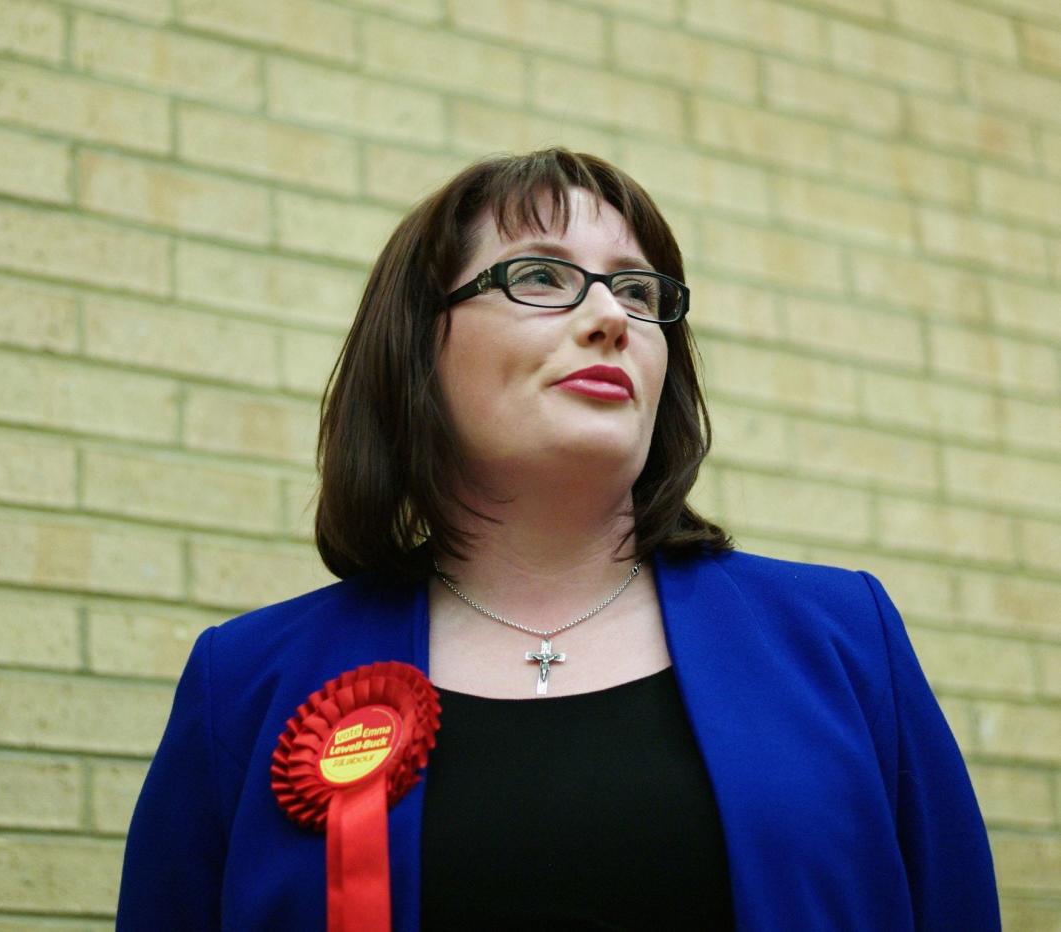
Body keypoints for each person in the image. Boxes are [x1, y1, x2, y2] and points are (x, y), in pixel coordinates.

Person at [116, 149, 1000, 930]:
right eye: (540, 276)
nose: (610, 315)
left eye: (639, 289)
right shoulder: (245, 682)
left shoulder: (845, 639)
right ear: (420, 346)